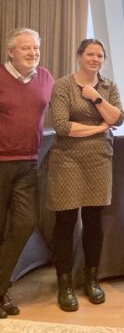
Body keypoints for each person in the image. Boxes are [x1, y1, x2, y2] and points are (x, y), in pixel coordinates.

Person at [47, 38, 124, 311]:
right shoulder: (63, 85)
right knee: (65, 221)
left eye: (99, 55)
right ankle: (64, 283)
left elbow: (118, 118)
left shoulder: (108, 86)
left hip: (99, 160)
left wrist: (97, 98)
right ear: (79, 56)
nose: (95, 59)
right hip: (66, 160)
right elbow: (61, 126)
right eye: (90, 54)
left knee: (93, 221)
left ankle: (91, 279)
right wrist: (99, 128)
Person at [0, 28, 54, 319]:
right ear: (10, 52)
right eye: (26, 48)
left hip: (29, 163)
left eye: (36, 48)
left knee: (25, 223)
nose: (33, 53)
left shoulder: (45, 78)